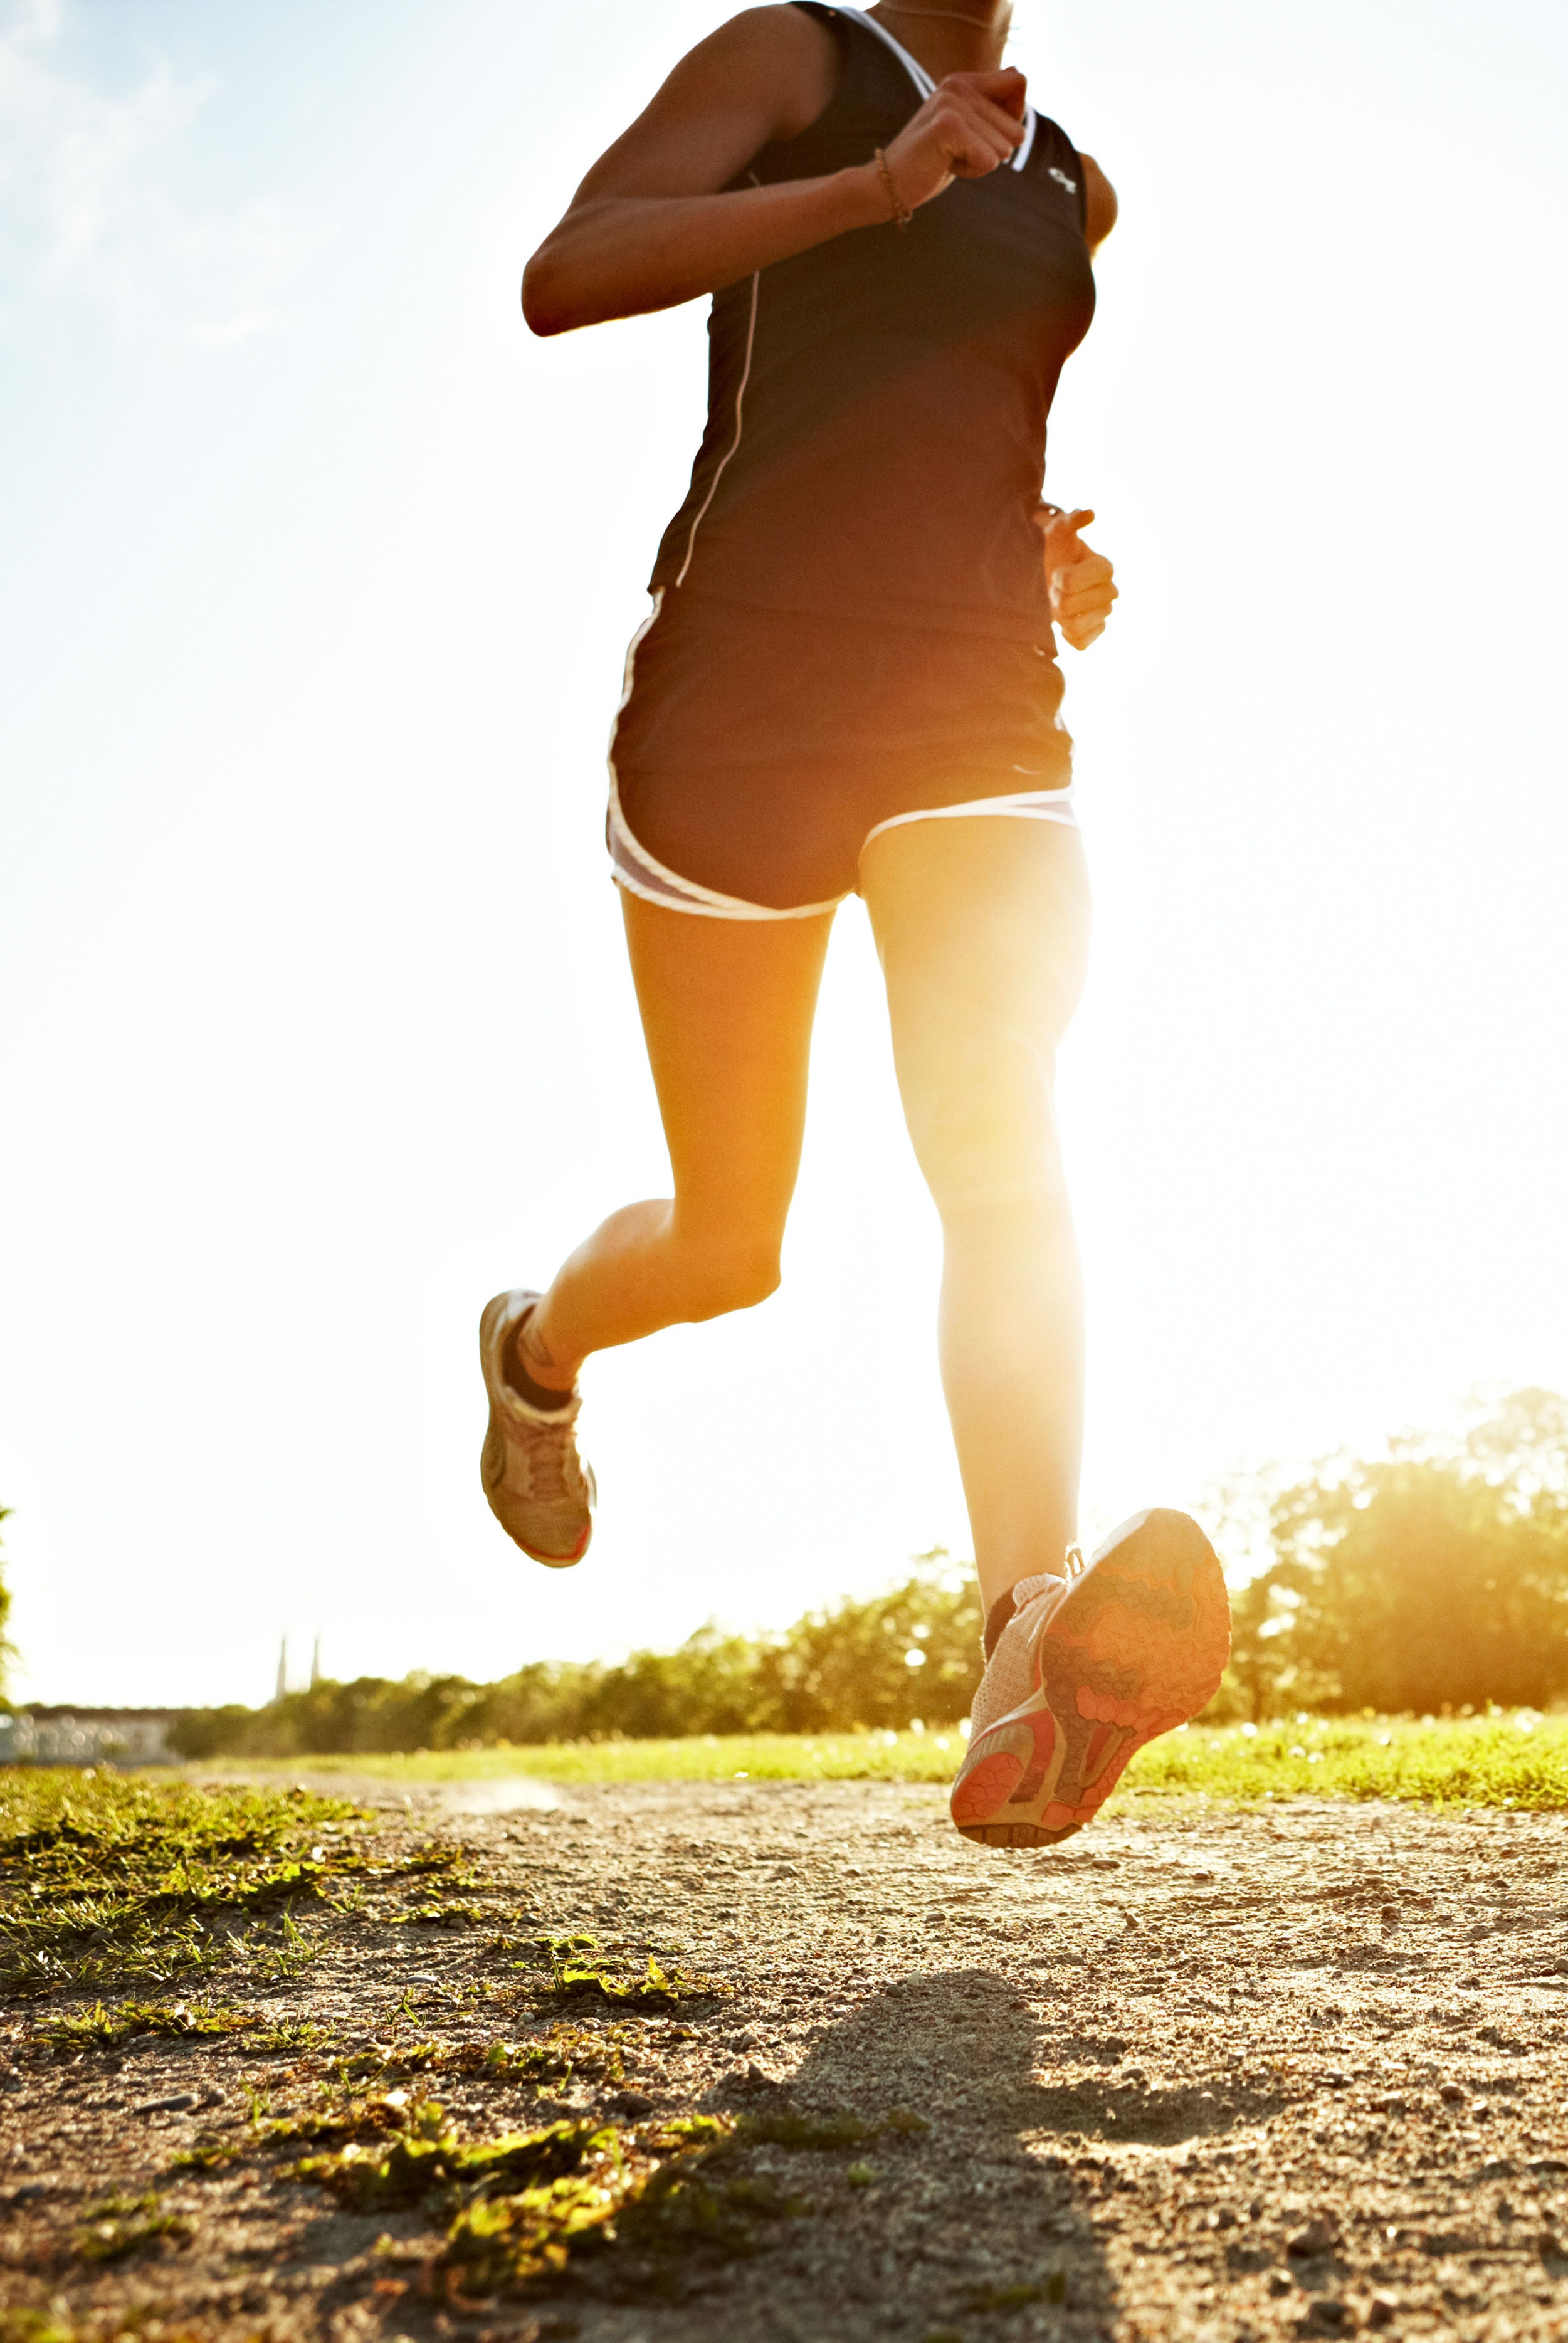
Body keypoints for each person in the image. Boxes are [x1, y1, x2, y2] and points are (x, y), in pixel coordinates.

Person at [480, 0, 1225, 1849]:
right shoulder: (797, 59)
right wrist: (869, 188)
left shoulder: (1071, 177)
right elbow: (567, 273)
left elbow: (954, 400)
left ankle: (1022, 1630)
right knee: (735, 1240)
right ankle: (535, 1351)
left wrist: (1039, 537)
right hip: (743, 707)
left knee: (995, 1113)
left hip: (976, 701)